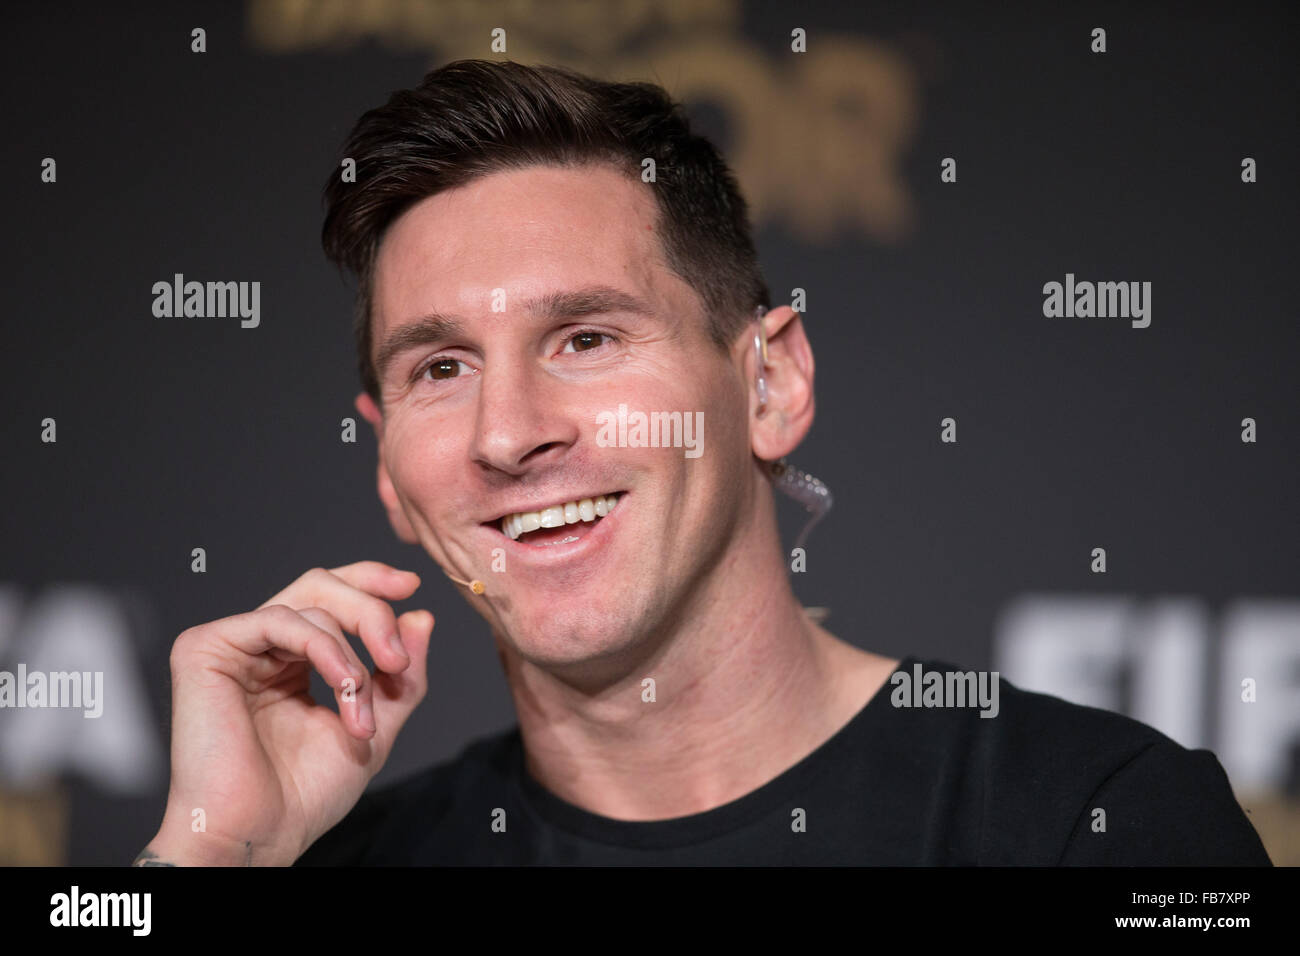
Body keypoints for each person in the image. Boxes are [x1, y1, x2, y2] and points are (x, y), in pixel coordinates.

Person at [134, 60, 1270, 866]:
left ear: (767, 386)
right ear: (388, 465)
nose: (506, 430)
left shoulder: (1092, 819)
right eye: (439, 368)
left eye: (584, 338)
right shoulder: (325, 857)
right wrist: (206, 852)